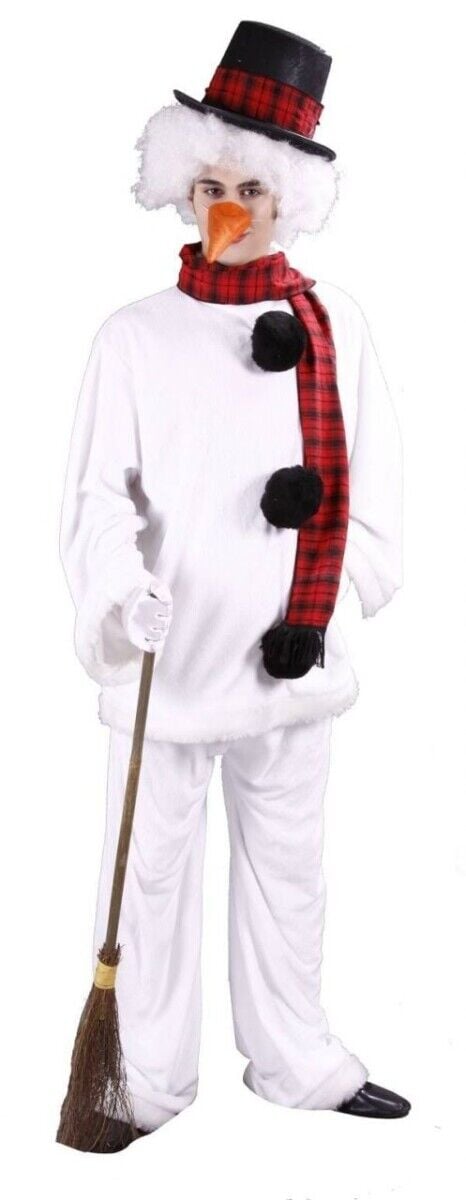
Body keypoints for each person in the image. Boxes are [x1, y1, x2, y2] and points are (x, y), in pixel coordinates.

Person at [59, 21, 409, 1152]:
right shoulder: (133, 338)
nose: (226, 208)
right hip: (169, 670)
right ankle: (145, 1080)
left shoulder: (334, 325)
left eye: (249, 188)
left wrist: (333, 600)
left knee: (289, 877)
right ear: (180, 187)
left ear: (289, 197)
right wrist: (122, 594)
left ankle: (299, 1061)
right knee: (149, 881)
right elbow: (95, 500)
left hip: (290, 664)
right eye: (209, 186)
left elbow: (375, 483)